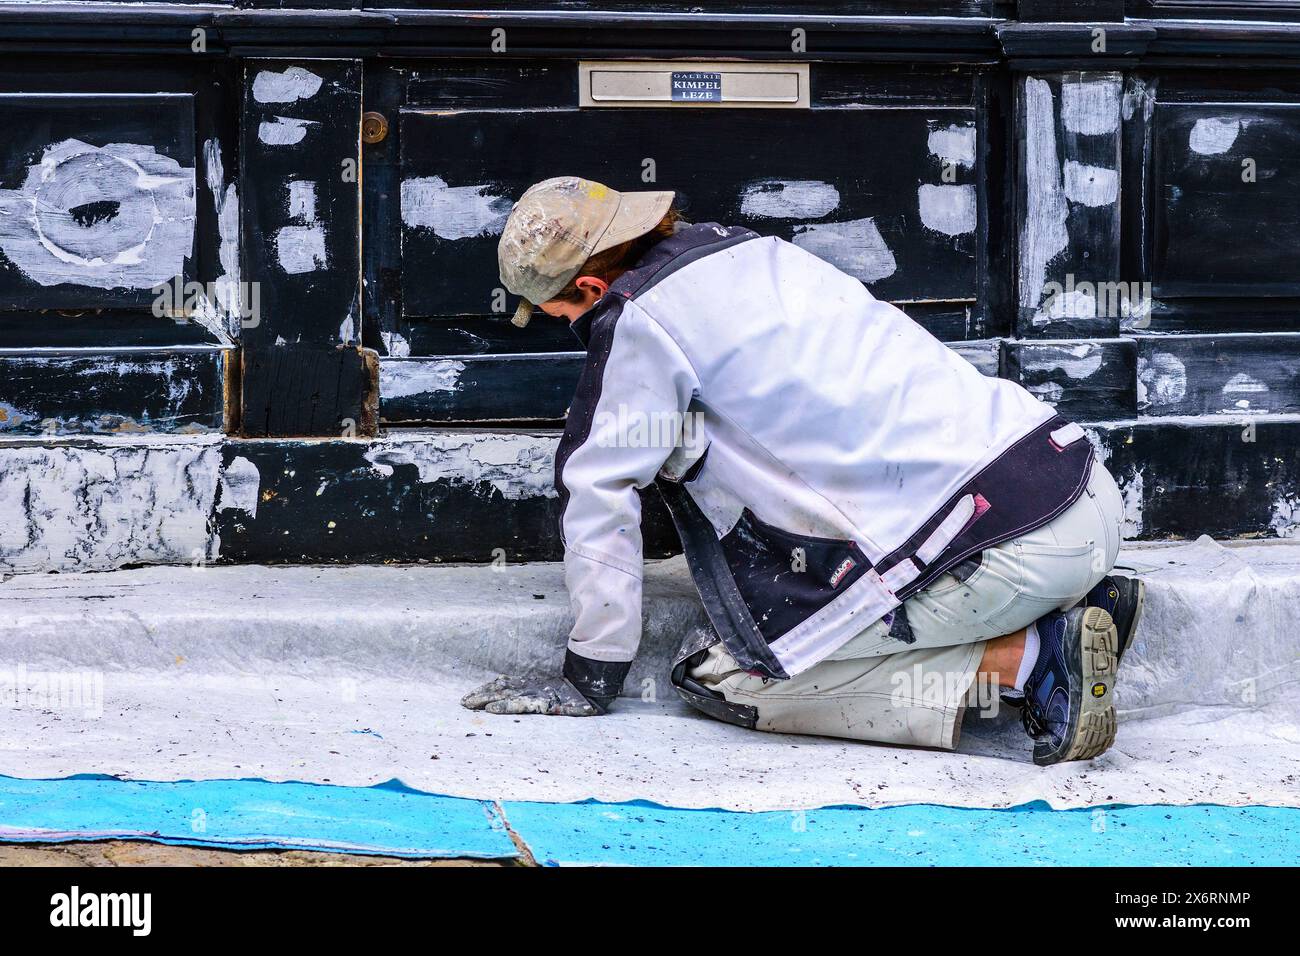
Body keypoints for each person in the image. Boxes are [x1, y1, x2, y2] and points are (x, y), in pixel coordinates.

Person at [462, 176, 1145, 766]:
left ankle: (1033, 655)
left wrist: (590, 672)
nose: (572, 331)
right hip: (1075, 488)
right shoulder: (754, 250)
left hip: (996, 554)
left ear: (588, 285)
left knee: (727, 675)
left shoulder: (638, 320)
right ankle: (1083, 601)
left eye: (562, 315)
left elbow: (598, 487)